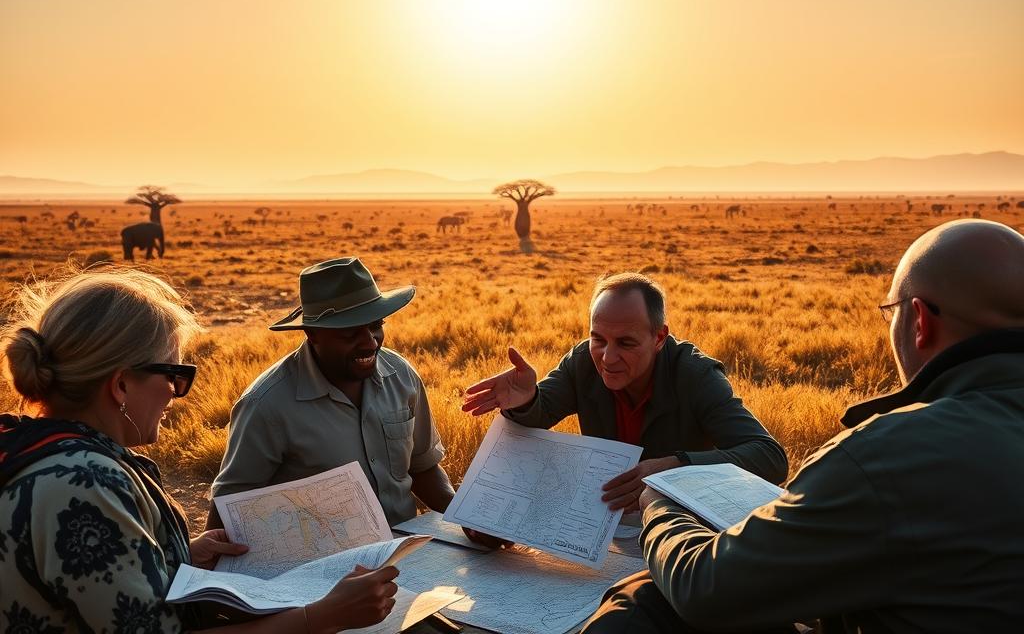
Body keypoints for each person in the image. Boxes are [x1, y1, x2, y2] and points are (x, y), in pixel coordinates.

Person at [584, 219, 1024, 633]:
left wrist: (662, 505)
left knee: (643, 600)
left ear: (920, 322)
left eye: (891, 314)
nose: (607, 355)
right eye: (598, 341)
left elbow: (707, 588)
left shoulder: (889, 454)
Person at [0, 267, 399, 633]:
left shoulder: (52, 457)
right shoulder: (84, 487)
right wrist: (321, 616)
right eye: (175, 374)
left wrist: (181, 557)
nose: (177, 395)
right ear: (120, 385)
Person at [208, 257, 502, 546]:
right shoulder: (267, 405)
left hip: (408, 554)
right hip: (325, 573)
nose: (370, 342)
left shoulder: (401, 377)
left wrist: (465, 519)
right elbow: (230, 509)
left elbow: (422, 468)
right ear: (313, 335)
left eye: (376, 325)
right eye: (350, 332)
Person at [462, 272, 788, 512]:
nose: (608, 357)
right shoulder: (582, 362)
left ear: (659, 338)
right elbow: (542, 410)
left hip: (681, 525)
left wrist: (674, 467)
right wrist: (526, 401)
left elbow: (768, 457)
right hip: (604, 523)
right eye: (598, 339)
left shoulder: (694, 374)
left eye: (626, 343)